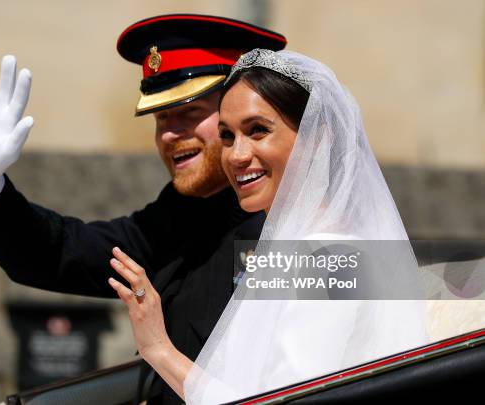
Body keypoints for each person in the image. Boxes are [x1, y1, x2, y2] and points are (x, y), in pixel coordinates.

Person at [0, 15, 287, 405]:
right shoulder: (181, 213)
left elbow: (319, 380)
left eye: (189, 113)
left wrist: (159, 349)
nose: (171, 134)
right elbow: (67, 252)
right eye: (161, 118)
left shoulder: (302, 226)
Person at [107, 49, 429, 403]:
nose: (236, 155)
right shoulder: (293, 248)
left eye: (258, 131)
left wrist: (159, 349)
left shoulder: (330, 258)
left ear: (318, 137)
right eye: (227, 136)